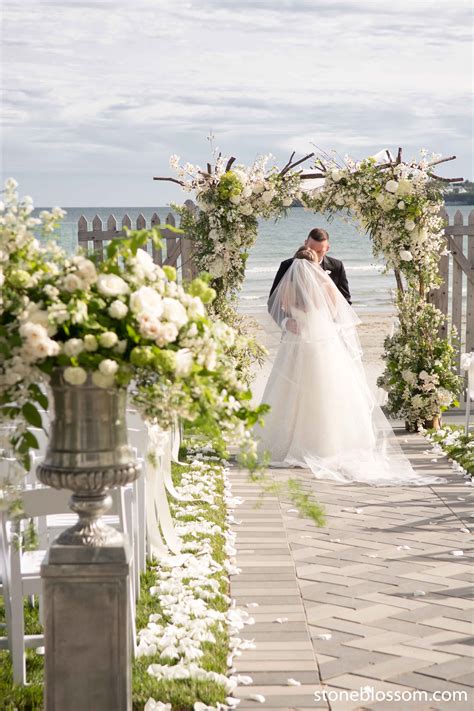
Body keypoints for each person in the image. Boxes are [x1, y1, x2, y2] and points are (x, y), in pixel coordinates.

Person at [255, 249, 445, 486]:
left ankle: (288, 443)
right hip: (323, 346)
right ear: (315, 265)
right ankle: (326, 445)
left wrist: (288, 321)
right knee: (326, 395)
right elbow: (335, 315)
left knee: (290, 393)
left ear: (295, 264)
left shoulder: (287, 289)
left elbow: (275, 307)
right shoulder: (325, 288)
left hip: (295, 346)